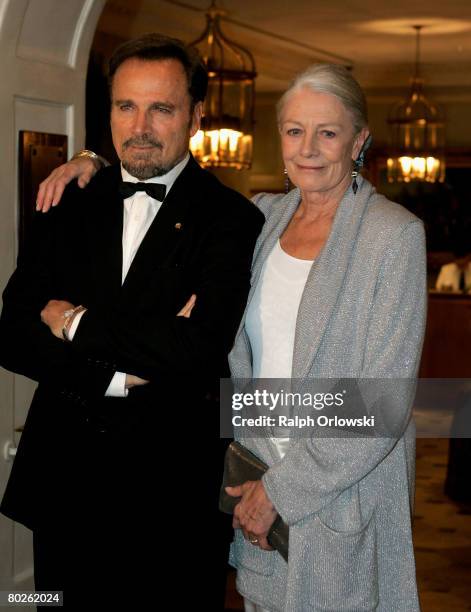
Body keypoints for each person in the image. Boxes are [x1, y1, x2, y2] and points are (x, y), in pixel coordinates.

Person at [36, 64, 427, 611]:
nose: (309, 148)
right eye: (294, 131)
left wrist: (283, 492)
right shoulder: (261, 218)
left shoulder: (394, 236)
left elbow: (383, 403)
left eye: (328, 132)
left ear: (359, 140)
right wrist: (92, 160)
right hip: (255, 481)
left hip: (342, 494)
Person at [0, 33, 264, 608]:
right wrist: (114, 375)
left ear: (196, 114)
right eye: (126, 106)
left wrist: (71, 322)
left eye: (161, 108)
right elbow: (13, 332)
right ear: (109, 112)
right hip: (65, 487)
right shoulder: (65, 198)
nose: (140, 125)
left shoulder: (231, 219)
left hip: (173, 497)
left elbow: (196, 346)